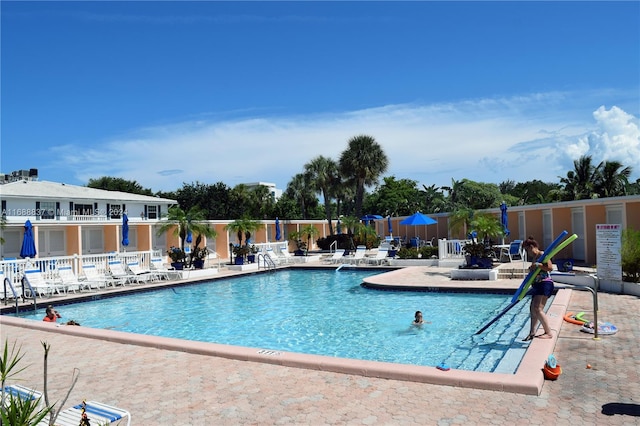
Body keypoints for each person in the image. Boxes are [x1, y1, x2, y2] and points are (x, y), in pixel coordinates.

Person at [522, 237, 554, 341]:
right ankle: (532, 332)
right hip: (537, 285)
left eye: (526, 250)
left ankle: (548, 332)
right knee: (532, 309)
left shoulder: (542, 254)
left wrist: (538, 265)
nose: (527, 252)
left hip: (545, 283)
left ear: (531, 247)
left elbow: (550, 267)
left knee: (538, 308)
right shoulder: (534, 258)